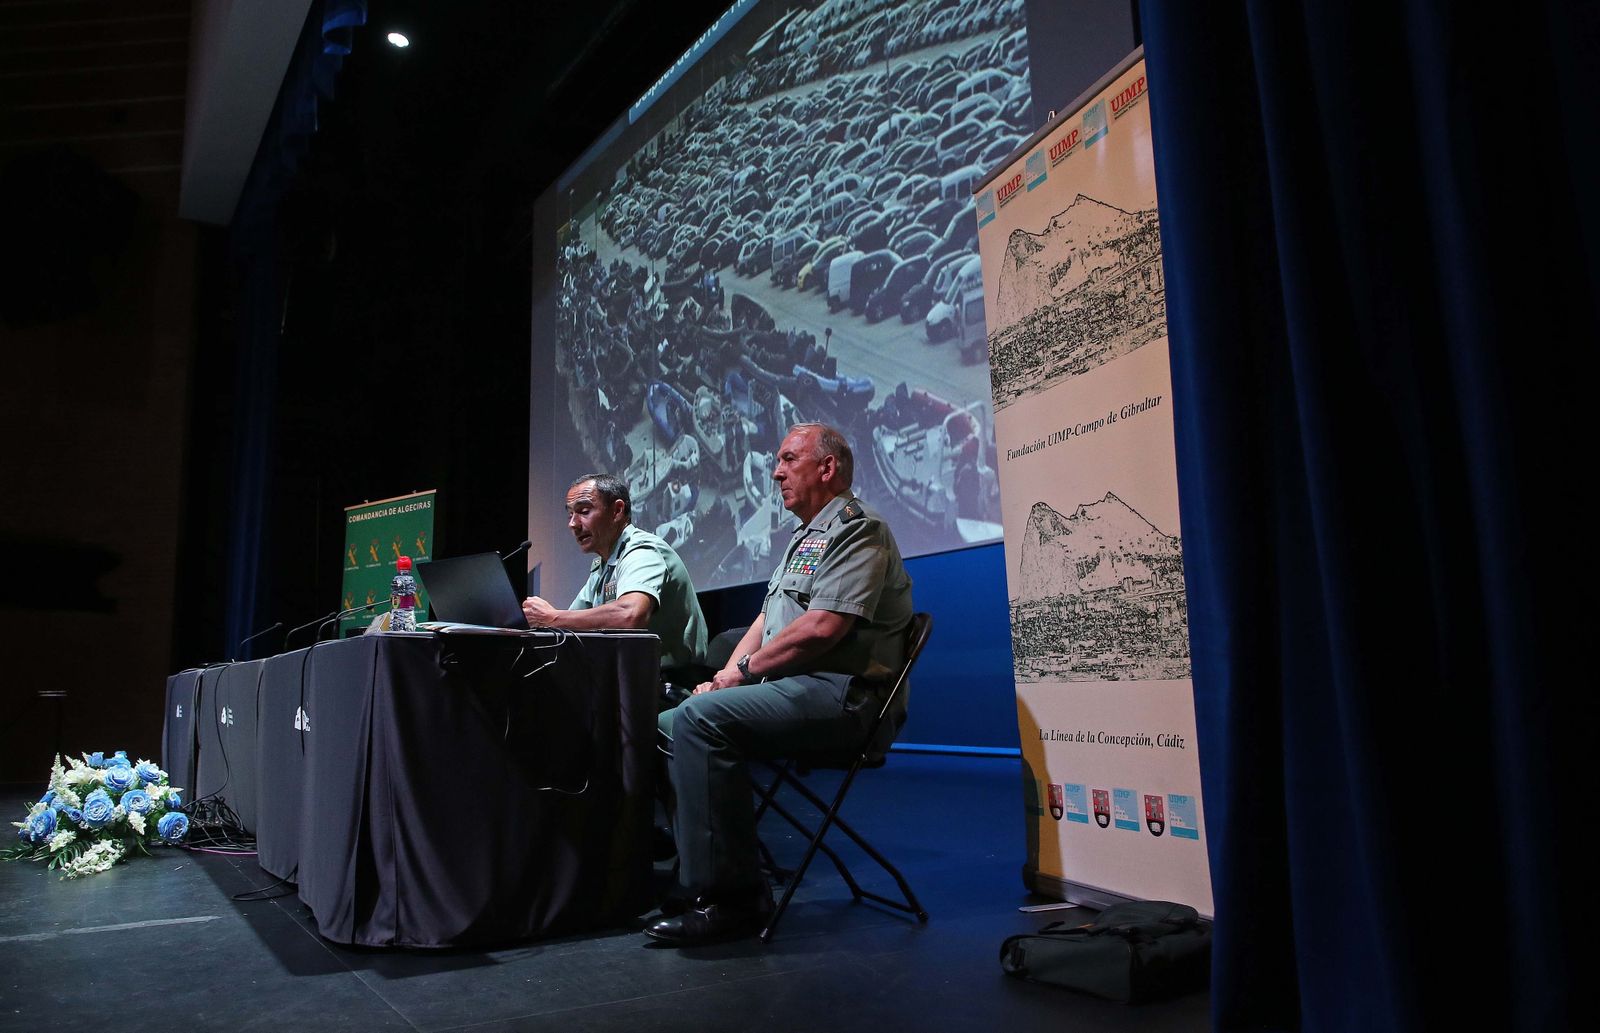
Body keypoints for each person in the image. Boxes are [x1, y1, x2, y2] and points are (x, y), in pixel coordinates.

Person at [647, 423, 913, 946]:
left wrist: (739, 676)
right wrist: (725, 678)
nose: (775, 471)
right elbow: (767, 621)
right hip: (797, 687)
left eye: (790, 459)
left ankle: (736, 899)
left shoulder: (859, 530)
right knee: (663, 727)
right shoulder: (804, 535)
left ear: (827, 468)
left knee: (699, 720)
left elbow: (821, 629)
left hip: (845, 696)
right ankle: (696, 877)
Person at [523, 473, 709, 685]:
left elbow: (630, 615)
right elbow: (570, 624)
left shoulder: (642, 551)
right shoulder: (603, 567)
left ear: (617, 511)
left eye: (584, 511)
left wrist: (552, 618)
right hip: (628, 685)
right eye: (570, 515)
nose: (573, 524)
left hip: (671, 686)